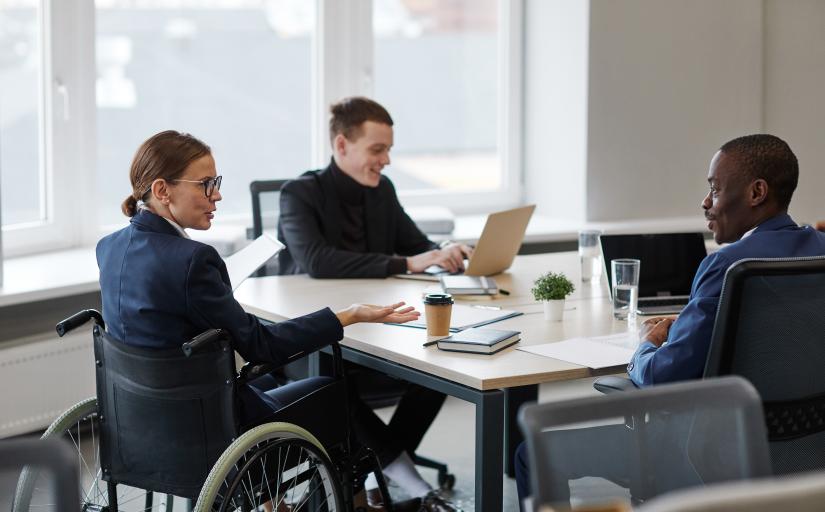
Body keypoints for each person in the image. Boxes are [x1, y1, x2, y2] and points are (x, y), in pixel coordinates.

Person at [98, 130, 458, 511]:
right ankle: (352, 501)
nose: (217, 195)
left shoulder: (110, 248)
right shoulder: (192, 260)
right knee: (329, 390)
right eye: (207, 185)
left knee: (275, 384)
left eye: (216, 184)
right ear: (162, 189)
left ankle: (277, 503)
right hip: (208, 431)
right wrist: (346, 316)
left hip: (144, 422)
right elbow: (261, 346)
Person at [514, 134, 825, 509]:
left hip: (705, 451)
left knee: (531, 453)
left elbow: (662, 377)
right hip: (805, 447)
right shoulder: (818, 251)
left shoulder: (727, 266)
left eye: (715, 189)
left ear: (756, 192)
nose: (706, 202)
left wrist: (645, 345)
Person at [277, 96, 473, 278]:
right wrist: (406, 264)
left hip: (373, 303)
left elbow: (416, 244)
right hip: (310, 309)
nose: (386, 160)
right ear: (341, 146)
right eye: (377, 150)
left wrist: (447, 249)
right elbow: (317, 262)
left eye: (388, 150)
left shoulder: (382, 188)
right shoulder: (297, 194)